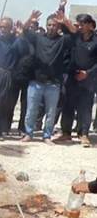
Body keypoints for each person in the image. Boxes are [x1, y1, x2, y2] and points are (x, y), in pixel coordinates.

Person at [20, 10, 76, 144]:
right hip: (36, 81)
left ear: (58, 27)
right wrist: (30, 19)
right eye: (49, 25)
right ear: (46, 25)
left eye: (55, 25)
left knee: (51, 113)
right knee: (31, 110)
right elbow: (24, 30)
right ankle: (29, 134)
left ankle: (47, 136)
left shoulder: (63, 40)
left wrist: (66, 21)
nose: (52, 27)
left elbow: (75, 34)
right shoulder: (38, 38)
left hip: (54, 83)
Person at [55, 14, 97, 147]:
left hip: (88, 79)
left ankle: (83, 134)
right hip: (72, 77)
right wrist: (64, 19)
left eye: (84, 23)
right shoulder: (75, 37)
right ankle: (66, 132)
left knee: (85, 108)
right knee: (68, 106)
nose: (81, 26)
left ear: (91, 25)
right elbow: (70, 28)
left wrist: (88, 73)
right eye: (79, 23)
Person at [0, 17, 28, 140]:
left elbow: (23, 49)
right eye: (1, 27)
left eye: (6, 27)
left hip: (7, 74)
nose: (3, 30)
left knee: (2, 104)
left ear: (11, 28)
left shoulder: (15, 41)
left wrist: (21, 34)